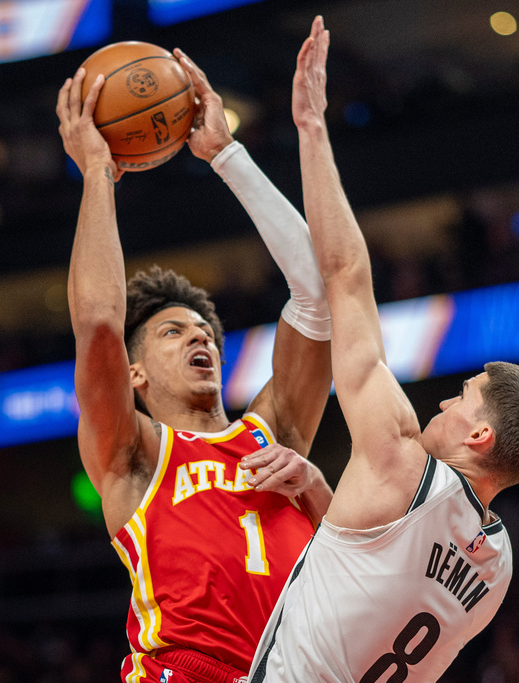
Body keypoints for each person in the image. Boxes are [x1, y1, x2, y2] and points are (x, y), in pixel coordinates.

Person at [248, 18, 519, 683]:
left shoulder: (399, 461)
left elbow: (346, 276)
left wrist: (311, 127)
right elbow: (372, 575)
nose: (445, 403)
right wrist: (318, 488)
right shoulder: (496, 566)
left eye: (463, 398)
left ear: (481, 434)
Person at [56, 47, 335, 683]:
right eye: (173, 331)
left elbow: (317, 295)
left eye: (204, 331)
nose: (198, 337)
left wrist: (227, 155)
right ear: (134, 373)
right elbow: (98, 324)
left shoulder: (274, 436)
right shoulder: (134, 454)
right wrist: (97, 173)